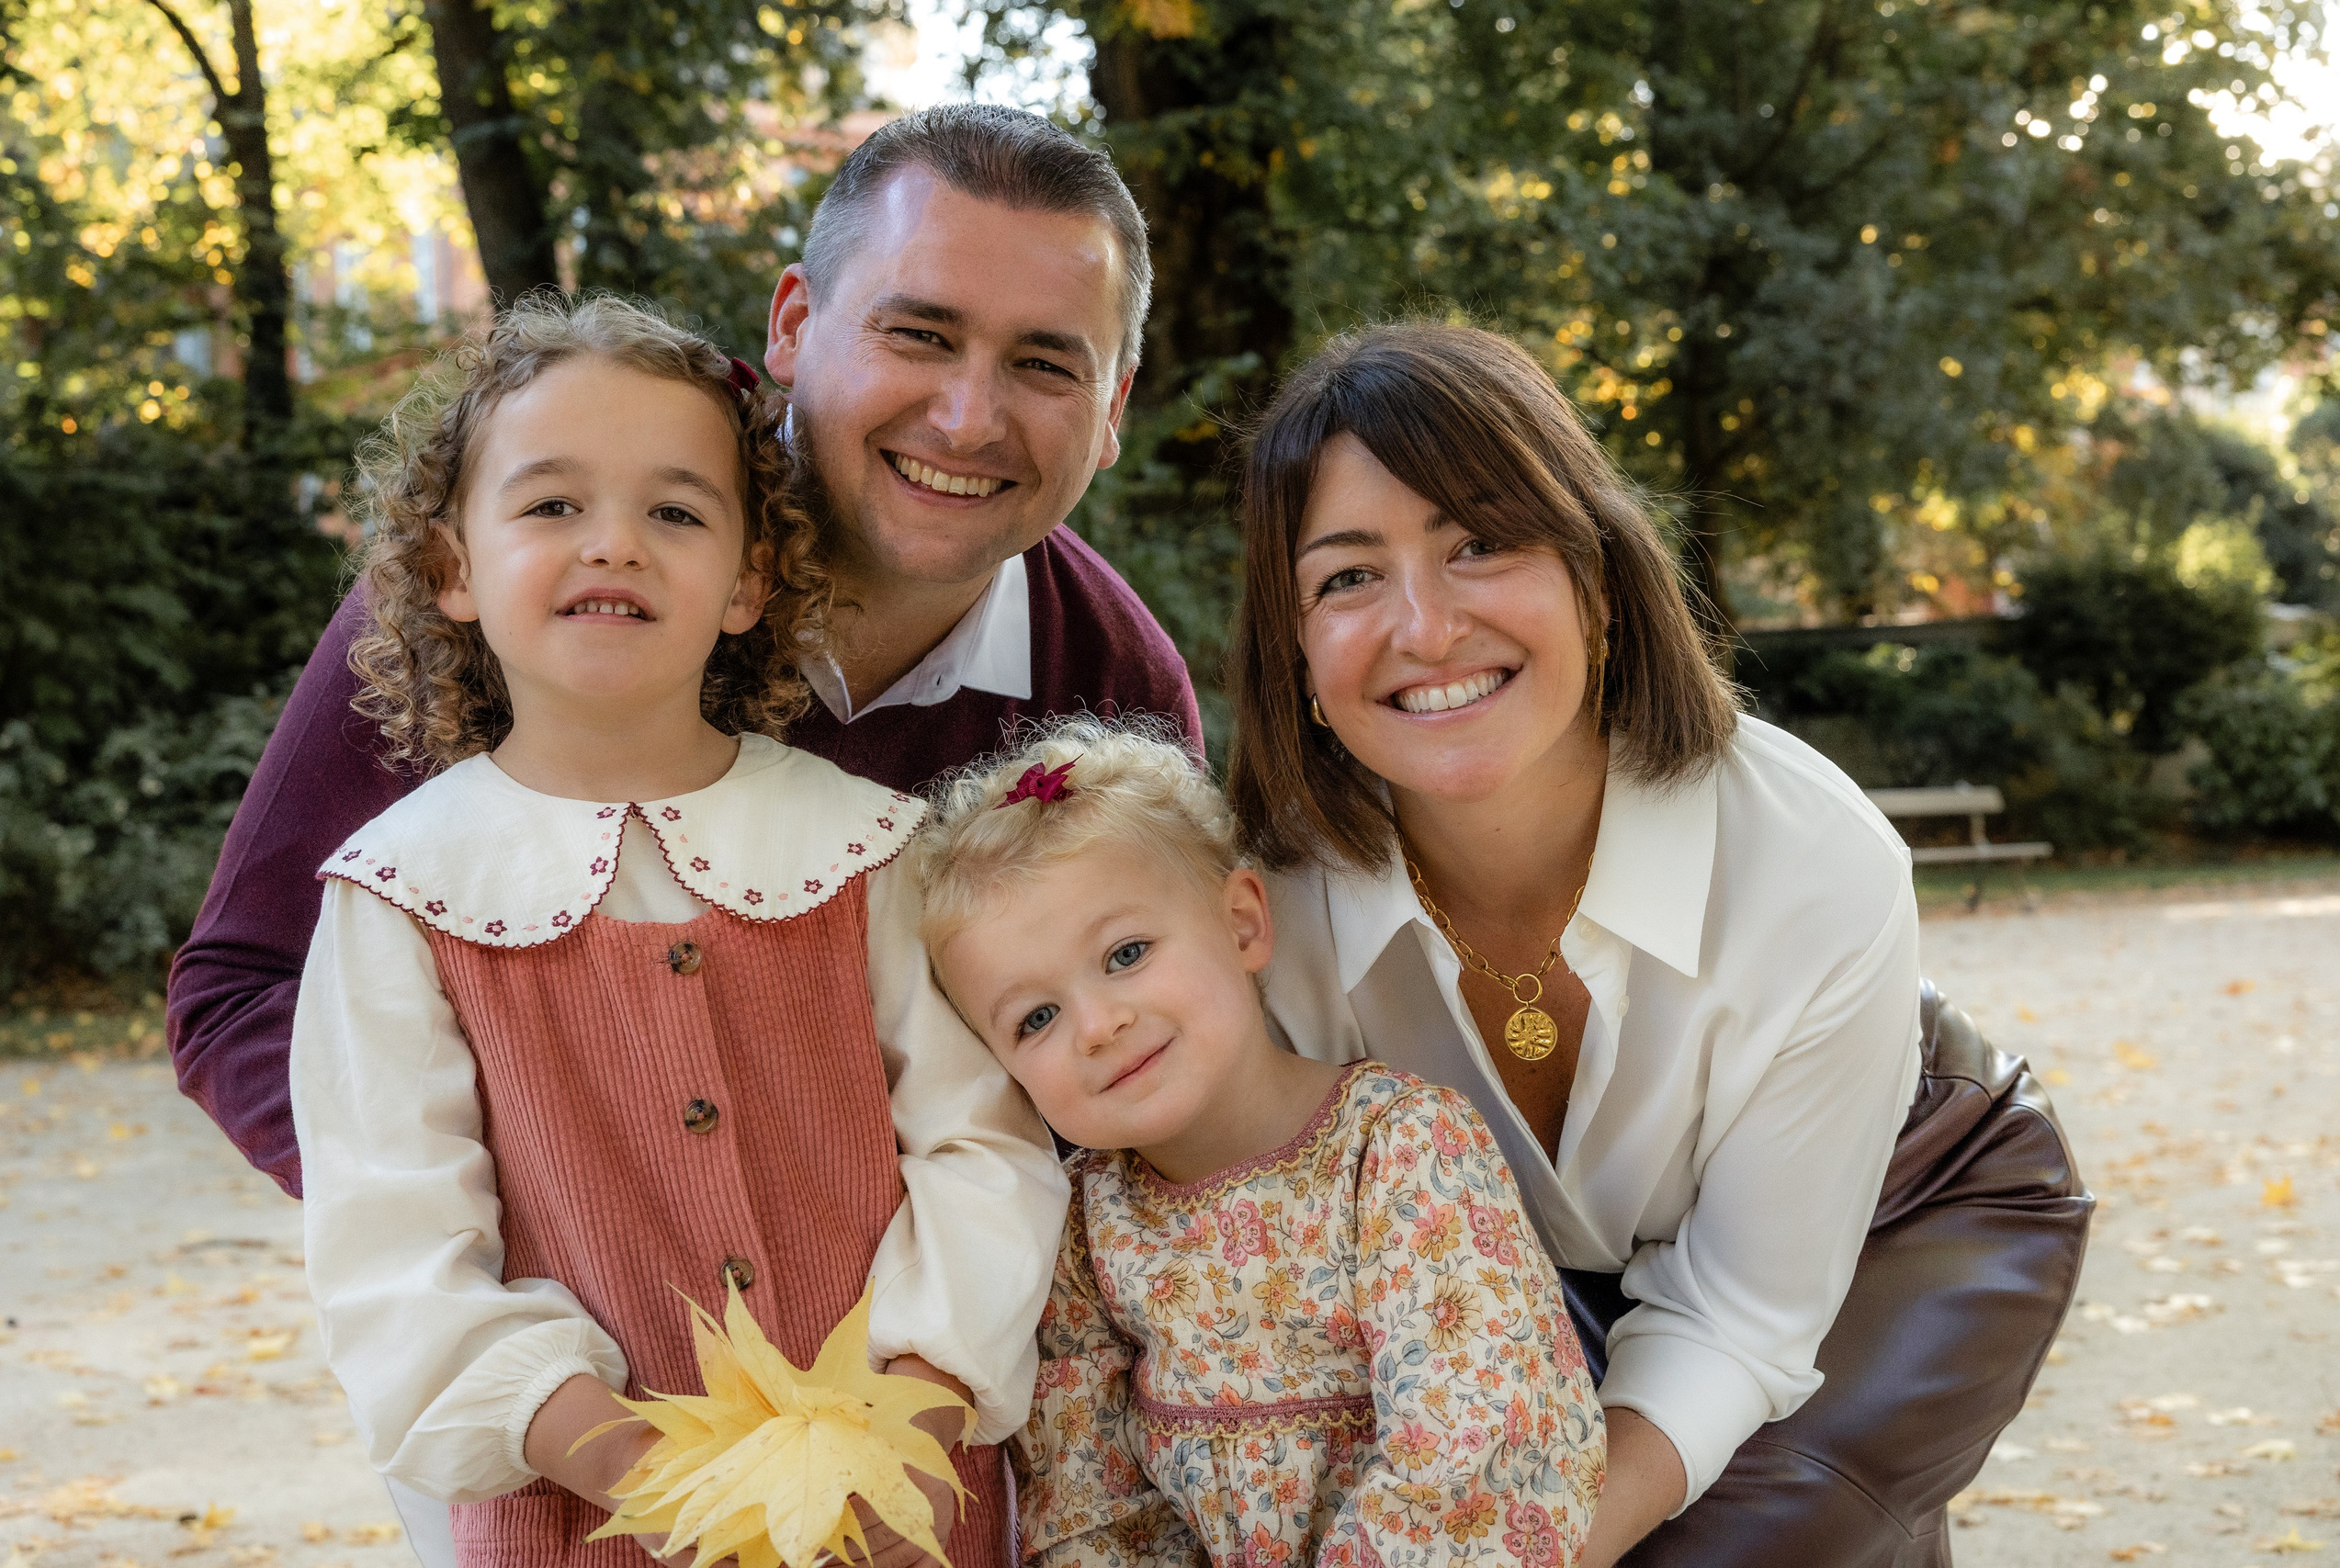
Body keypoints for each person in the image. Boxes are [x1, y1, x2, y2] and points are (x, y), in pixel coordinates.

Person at [168, 101, 1198, 1201]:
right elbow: (248, 988)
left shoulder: (1109, 689)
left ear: (1111, 410)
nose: (963, 417)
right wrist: (516, 1247)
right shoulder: (554, 550)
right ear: (795, 324)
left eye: (1044, 364)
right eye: (920, 334)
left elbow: (1147, 1098)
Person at [1227, 323, 2086, 1567]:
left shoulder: (1814, 860)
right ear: (1298, 653)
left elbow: (1740, 1313)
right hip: (1540, 1280)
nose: (1425, 625)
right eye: (1348, 577)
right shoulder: (1265, 910)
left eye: (1479, 542)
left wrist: (1534, 1549)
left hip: (1905, 1200)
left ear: (1599, 577)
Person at [292, 293, 1065, 1568]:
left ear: (750, 577)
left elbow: (983, 1144)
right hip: (582, 1515)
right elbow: (392, 1245)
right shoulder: (398, 892)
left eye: (675, 510)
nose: (616, 545)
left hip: (901, 1507)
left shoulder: (871, 846)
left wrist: (912, 1413)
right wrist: (633, 1461)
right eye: (552, 506)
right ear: (452, 569)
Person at [909, 717, 1606, 1568]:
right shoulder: (1082, 1227)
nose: (1097, 1024)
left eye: (1126, 953)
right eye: (1036, 1018)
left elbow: (1478, 1450)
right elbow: (1088, 1504)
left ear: (1242, 924)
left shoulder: (1399, 1150)